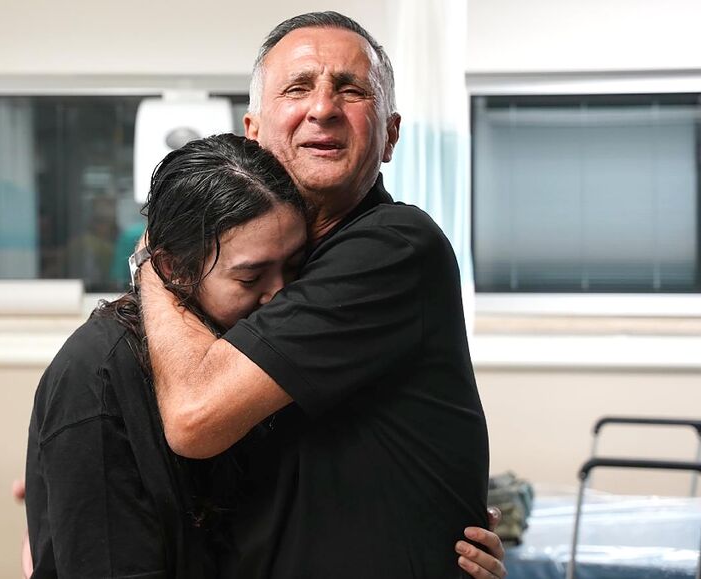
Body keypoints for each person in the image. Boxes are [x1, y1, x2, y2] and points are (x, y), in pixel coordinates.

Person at [24, 134, 504, 578]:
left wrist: (432, 533)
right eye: (251, 278)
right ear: (175, 268)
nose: (279, 294)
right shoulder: (99, 372)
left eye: (294, 267)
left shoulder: (246, 352)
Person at [139, 12, 500, 579]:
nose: (324, 108)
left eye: (350, 90)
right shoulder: (261, 266)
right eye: (298, 87)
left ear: (391, 136)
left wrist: (151, 263)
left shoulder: (393, 248)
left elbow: (194, 417)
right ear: (252, 132)